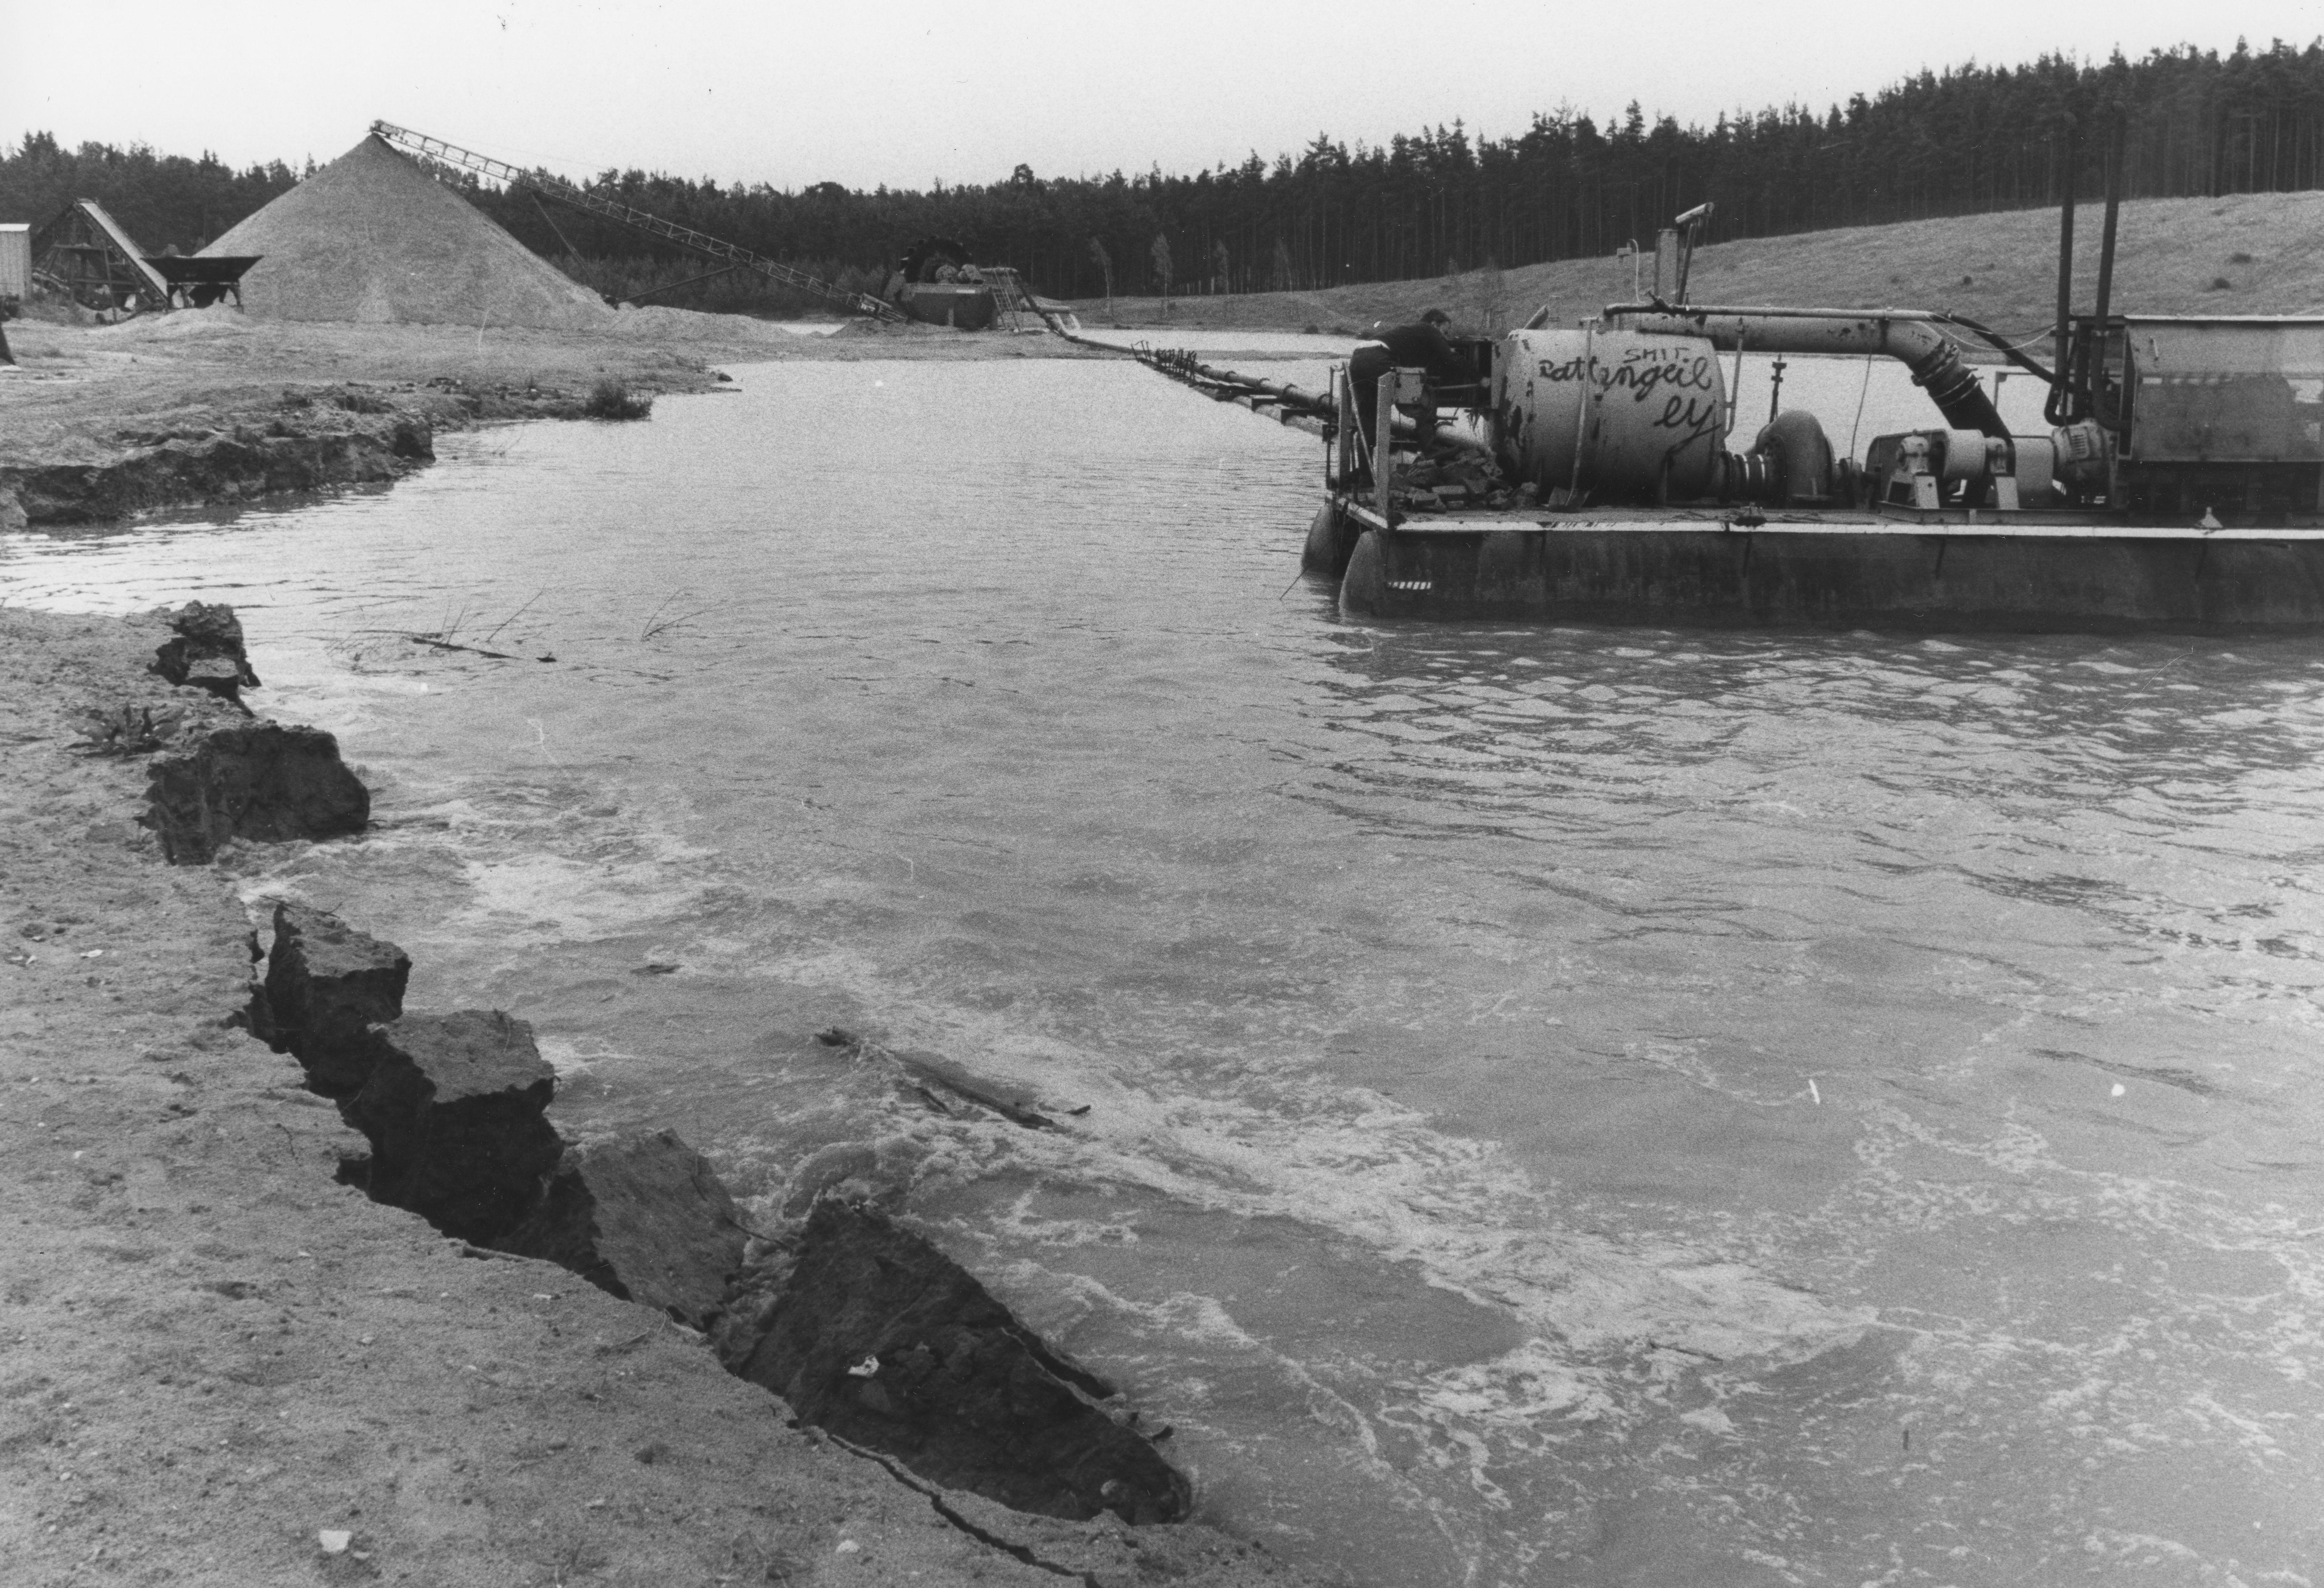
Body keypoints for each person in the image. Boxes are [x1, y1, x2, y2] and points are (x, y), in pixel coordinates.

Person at [1348, 308, 1474, 442]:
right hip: (1378, 358)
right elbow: (1451, 357)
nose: (1445, 337)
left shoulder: (1410, 333)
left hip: (1358, 359)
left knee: (1367, 415)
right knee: (1422, 398)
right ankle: (1422, 440)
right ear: (1435, 324)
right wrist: (1479, 378)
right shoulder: (1429, 329)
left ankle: (1368, 454)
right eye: (1445, 331)